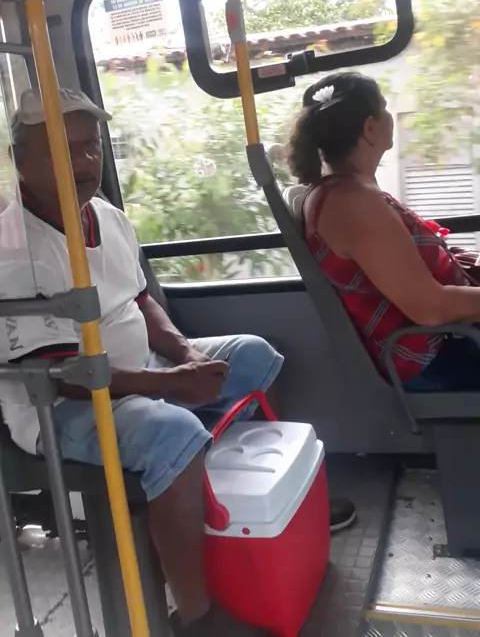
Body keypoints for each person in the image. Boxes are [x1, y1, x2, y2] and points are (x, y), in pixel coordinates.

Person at [0, 88, 352, 637]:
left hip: (137, 367)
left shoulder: (106, 216)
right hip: (57, 405)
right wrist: (169, 382)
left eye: (91, 146)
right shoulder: (13, 248)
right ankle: (196, 614)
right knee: (174, 433)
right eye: (65, 151)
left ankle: (254, 507)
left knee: (252, 357)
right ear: (20, 158)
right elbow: (61, 374)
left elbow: (140, 301)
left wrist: (186, 354)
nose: (85, 161)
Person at [288, 71, 480, 393]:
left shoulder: (354, 191)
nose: (390, 116)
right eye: (385, 108)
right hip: (437, 356)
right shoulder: (352, 204)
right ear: (369, 127)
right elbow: (430, 308)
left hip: (452, 336)